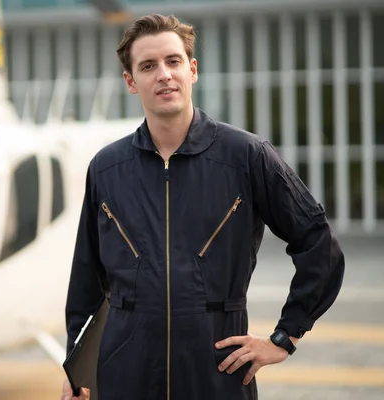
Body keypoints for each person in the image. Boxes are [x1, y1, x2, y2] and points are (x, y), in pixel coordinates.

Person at [62, 13, 345, 400]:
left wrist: (284, 337)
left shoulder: (246, 156)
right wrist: (75, 368)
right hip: (123, 377)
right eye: (148, 66)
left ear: (192, 70)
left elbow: (318, 244)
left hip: (217, 376)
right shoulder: (107, 169)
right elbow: (86, 283)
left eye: (173, 61)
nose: (163, 74)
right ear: (131, 81)